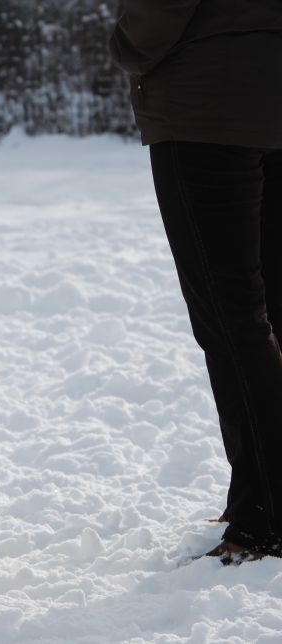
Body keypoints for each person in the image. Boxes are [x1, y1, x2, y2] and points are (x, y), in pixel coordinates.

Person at [111, 1, 282, 564]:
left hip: (209, 110)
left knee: (232, 320)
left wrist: (130, 47)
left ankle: (265, 521)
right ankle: (254, 497)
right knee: (265, 315)